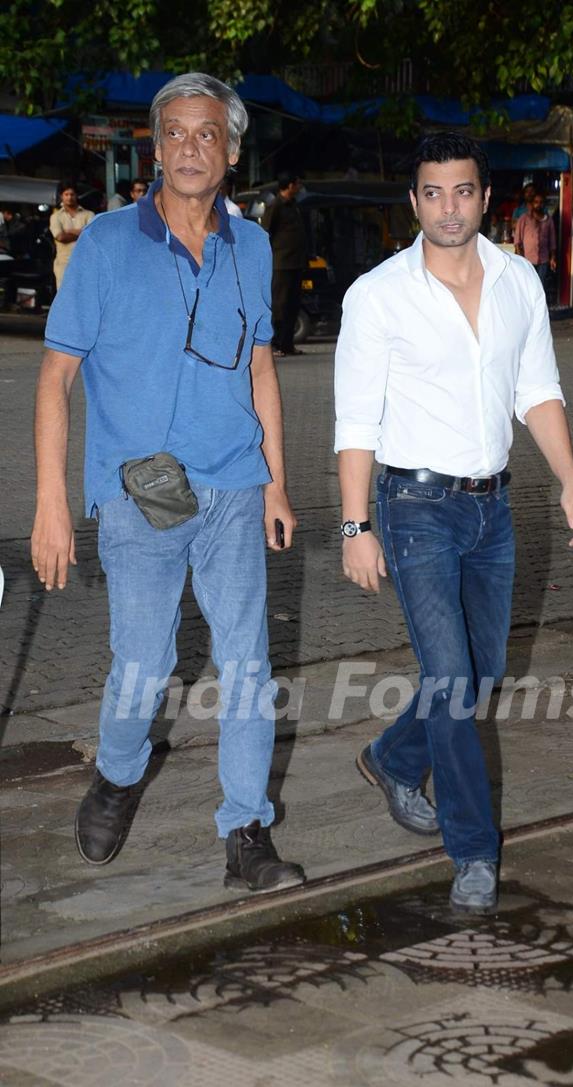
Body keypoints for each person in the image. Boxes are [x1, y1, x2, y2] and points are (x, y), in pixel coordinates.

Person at [31, 72, 305, 894]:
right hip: (140, 490)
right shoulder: (108, 243)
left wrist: (279, 485)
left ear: (231, 150)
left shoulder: (250, 244)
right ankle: (118, 774)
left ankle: (246, 830)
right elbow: (54, 378)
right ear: (156, 147)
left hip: (232, 486)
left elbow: (261, 369)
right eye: (176, 133)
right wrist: (51, 502)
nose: (191, 147)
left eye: (208, 134)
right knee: (144, 666)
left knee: (248, 663)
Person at [334, 131, 573, 914]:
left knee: (481, 675)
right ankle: (474, 850)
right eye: (433, 193)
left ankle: (390, 756)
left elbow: (537, 388)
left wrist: (571, 482)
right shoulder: (377, 293)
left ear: (486, 195)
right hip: (413, 510)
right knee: (452, 681)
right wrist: (355, 527)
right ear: (414, 201)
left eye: (463, 191)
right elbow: (355, 422)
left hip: (494, 508)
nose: (449, 207)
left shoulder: (518, 281)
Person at [261, 171, 307, 357]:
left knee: (293, 304)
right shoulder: (276, 206)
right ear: (290, 185)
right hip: (281, 264)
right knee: (279, 304)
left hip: (296, 262)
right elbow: (266, 232)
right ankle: (275, 344)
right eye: (297, 183)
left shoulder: (294, 205)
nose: (299, 187)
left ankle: (287, 344)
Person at [49, 184, 95, 290]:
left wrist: (70, 231)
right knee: (65, 297)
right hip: (64, 264)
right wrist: (82, 232)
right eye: (66, 194)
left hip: (85, 262)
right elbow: (60, 237)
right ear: (62, 196)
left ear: (77, 195)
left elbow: (93, 235)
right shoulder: (56, 216)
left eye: (72, 194)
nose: (69, 197)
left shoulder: (89, 214)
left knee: (85, 294)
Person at [514, 191, 557, 292]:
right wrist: (521, 259)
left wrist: (553, 258)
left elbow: (552, 241)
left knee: (540, 286)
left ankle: (539, 307)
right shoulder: (524, 219)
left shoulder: (548, 220)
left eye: (541, 202)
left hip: (543, 259)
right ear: (532, 204)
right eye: (536, 202)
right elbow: (517, 241)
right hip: (527, 260)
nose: (538, 205)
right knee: (527, 286)